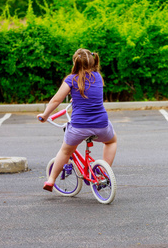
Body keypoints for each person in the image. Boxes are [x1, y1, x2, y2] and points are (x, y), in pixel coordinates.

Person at [37, 48, 117, 192]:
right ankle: (104, 172)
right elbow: (90, 94)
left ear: (75, 62)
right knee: (111, 141)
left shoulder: (71, 80)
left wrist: (45, 115)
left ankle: (51, 180)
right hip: (101, 124)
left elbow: (56, 100)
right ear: (92, 61)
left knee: (65, 151)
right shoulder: (98, 77)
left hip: (79, 126)